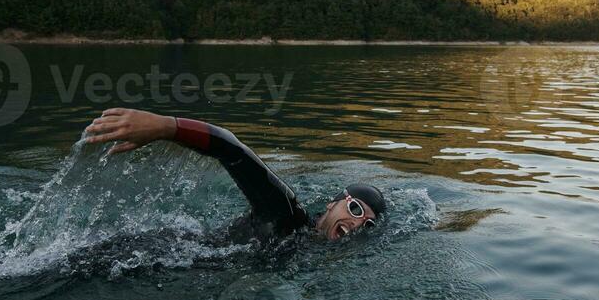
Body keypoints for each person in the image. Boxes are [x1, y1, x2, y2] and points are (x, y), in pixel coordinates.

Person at [83, 108, 386, 242]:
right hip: (154, 255)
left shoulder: (318, 254)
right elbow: (234, 151)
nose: (359, 222)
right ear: (333, 204)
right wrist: (166, 127)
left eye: (368, 223)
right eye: (356, 208)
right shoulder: (286, 215)